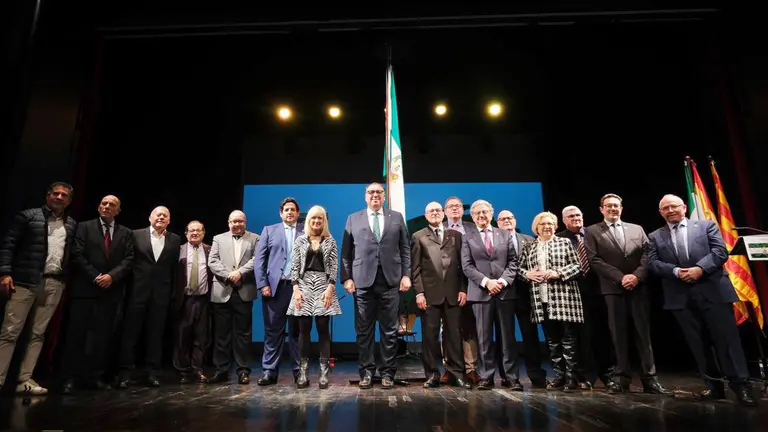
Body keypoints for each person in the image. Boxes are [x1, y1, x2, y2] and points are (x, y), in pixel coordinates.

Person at [647, 194, 756, 406]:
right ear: (661, 213)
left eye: (674, 206)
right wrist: (677, 271)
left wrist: (699, 269)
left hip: (712, 291)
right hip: (680, 296)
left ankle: (742, 387)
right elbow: (653, 263)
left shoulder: (706, 226)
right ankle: (714, 386)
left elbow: (720, 251)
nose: (670, 210)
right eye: (665, 208)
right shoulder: (654, 236)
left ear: (684, 207)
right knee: (698, 344)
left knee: (727, 341)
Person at [584, 194, 670, 395]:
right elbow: (593, 259)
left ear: (621, 208)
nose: (613, 209)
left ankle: (650, 379)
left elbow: (647, 255)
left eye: (616, 206)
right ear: (601, 209)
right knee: (618, 335)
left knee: (643, 335)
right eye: (608, 206)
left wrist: (636, 276)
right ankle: (621, 378)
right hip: (613, 289)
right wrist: (621, 277)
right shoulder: (592, 231)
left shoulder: (637, 229)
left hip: (638, 288)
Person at [0, 182, 77, 395]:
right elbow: (9, 245)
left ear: (69, 200)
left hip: (54, 282)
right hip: (24, 281)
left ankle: (24, 380)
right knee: (10, 331)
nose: (59, 197)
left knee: (38, 333)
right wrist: (5, 272)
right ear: (48, 195)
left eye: (64, 195)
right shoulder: (28, 216)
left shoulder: (70, 224)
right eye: (56, 193)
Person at [341, 182, 411, 389]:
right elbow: (346, 253)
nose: (375, 196)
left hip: (390, 281)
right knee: (364, 331)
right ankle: (367, 373)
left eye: (379, 192)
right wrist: (347, 278)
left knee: (390, 331)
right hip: (363, 282)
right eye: (371, 192)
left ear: (384, 196)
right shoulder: (353, 218)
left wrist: (406, 275)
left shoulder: (396, 217)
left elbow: (405, 249)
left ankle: (388, 373)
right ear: (365, 196)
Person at [61, 195, 134, 394]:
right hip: (85, 289)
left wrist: (111, 276)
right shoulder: (84, 227)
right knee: (77, 335)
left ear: (118, 211)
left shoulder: (126, 233)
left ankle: (96, 376)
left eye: (112, 205)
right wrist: (96, 276)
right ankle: (70, 378)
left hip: (111, 291)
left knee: (103, 337)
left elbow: (128, 259)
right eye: (103, 203)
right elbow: (77, 254)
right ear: (98, 206)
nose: (107, 207)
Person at [518, 211, 583, 392]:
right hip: (541, 299)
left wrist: (558, 273)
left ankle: (572, 378)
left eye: (550, 224)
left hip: (563, 298)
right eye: (543, 224)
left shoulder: (564, 243)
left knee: (568, 339)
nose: (547, 227)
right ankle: (559, 376)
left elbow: (578, 266)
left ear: (555, 226)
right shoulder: (529, 247)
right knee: (552, 340)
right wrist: (528, 274)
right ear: (536, 228)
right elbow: (520, 270)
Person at [118, 206, 182, 388]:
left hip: (161, 295)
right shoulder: (135, 235)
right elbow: (128, 261)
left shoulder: (175, 239)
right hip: (137, 292)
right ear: (150, 217)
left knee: (156, 335)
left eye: (165, 215)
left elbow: (173, 268)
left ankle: (152, 372)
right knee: (130, 334)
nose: (161, 217)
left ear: (169, 220)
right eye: (158, 214)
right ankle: (125, 372)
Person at [412, 201, 472, 389]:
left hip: (454, 294)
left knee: (454, 335)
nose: (435, 213)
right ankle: (432, 374)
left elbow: (463, 267)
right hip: (429, 295)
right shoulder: (418, 236)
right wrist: (419, 292)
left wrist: (463, 289)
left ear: (444, 214)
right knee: (429, 337)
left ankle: (457, 374)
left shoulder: (456, 235)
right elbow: (415, 269)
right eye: (432, 211)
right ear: (426, 214)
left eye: (438, 210)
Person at [460, 199, 519, 390]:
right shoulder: (467, 237)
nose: (481, 216)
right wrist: (487, 282)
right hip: (480, 293)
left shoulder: (504, 234)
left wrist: (501, 282)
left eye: (485, 212)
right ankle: (486, 376)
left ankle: (511, 377)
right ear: (473, 216)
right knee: (484, 338)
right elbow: (467, 266)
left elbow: (513, 263)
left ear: (491, 214)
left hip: (504, 293)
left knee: (507, 338)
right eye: (477, 213)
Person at [556, 205, 615, 390]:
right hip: (573, 294)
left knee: (604, 334)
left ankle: (608, 374)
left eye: (578, 215)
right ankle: (585, 375)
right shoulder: (559, 239)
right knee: (582, 336)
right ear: (564, 220)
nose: (576, 218)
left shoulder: (594, 233)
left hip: (600, 290)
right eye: (571, 216)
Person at [287, 205, 341, 389]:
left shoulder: (330, 241)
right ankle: (303, 372)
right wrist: (295, 289)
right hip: (303, 285)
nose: (317, 221)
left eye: (320, 219)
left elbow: (334, 267)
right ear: (308, 221)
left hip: (323, 285)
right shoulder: (300, 241)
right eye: (313, 218)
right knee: (304, 328)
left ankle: (323, 373)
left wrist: (330, 288)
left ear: (324, 221)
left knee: (322, 327)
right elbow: (294, 266)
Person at [254, 198, 302, 385]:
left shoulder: (305, 232)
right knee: (273, 331)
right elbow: (260, 260)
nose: (289, 212)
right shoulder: (269, 230)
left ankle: (299, 372)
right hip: (275, 288)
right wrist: (263, 284)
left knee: (297, 332)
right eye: (286, 210)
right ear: (280, 213)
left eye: (293, 210)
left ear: (298, 214)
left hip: (298, 289)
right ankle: (269, 371)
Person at [208, 210, 259, 384]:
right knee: (221, 334)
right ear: (228, 222)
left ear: (245, 222)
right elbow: (213, 261)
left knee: (243, 334)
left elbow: (257, 259)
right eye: (233, 221)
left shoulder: (255, 238)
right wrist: (229, 275)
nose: (237, 224)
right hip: (223, 290)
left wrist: (240, 273)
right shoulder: (218, 238)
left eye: (240, 221)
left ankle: (243, 371)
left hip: (244, 291)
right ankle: (221, 370)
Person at [497, 210, 546, 388]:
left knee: (530, 336)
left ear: (515, 220)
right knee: (505, 337)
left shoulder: (528, 239)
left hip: (526, 295)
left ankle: (536, 374)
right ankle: (507, 376)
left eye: (510, 218)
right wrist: (525, 274)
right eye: (502, 219)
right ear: (498, 223)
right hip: (503, 294)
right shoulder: (494, 240)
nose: (507, 221)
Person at [442, 196, 479, 384]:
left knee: (470, 327)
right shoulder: (439, 229)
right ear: (444, 211)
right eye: (450, 206)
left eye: (458, 206)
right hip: (448, 286)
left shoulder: (472, 228)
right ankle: (449, 368)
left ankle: (471, 368)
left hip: (473, 284)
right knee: (448, 328)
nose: (455, 209)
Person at [173, 220, 214, 384]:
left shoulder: (210, 250)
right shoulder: (178, 250)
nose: (195, 233)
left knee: (201, 337)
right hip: (184, 300)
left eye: (198, 231)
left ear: (204, 233)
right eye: (191, 231)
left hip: (204, 299)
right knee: (182, 336)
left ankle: (198, 369)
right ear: (186, 233)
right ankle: (183, 370)